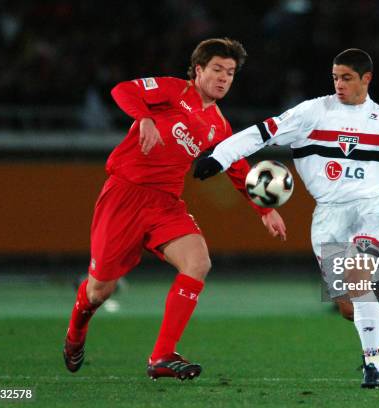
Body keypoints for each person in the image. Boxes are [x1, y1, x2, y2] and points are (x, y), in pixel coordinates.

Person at [194, 49, 379, 388]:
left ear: (366, 79)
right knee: (348, 307)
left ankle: (373, 366)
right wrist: (219, 157)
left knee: (358, 282)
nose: (339, 84)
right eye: (335, 77)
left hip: (371, 207)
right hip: (328, 214)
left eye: (347, 78)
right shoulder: (312, 112)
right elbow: (260, 133)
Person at [63, 38, 287, 381]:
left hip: (165, 203)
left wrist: (264, 210)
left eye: (230, 72)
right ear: (198, 70)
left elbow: (237, 167)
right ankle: (76, 332)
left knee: (198, 263)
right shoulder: (171, 91)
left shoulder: (218, 125)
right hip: (125, 195)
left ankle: (162, 355)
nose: (224, 78)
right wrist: (146, 118)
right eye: (217, 69)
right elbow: (123, 90)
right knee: (99, 290)